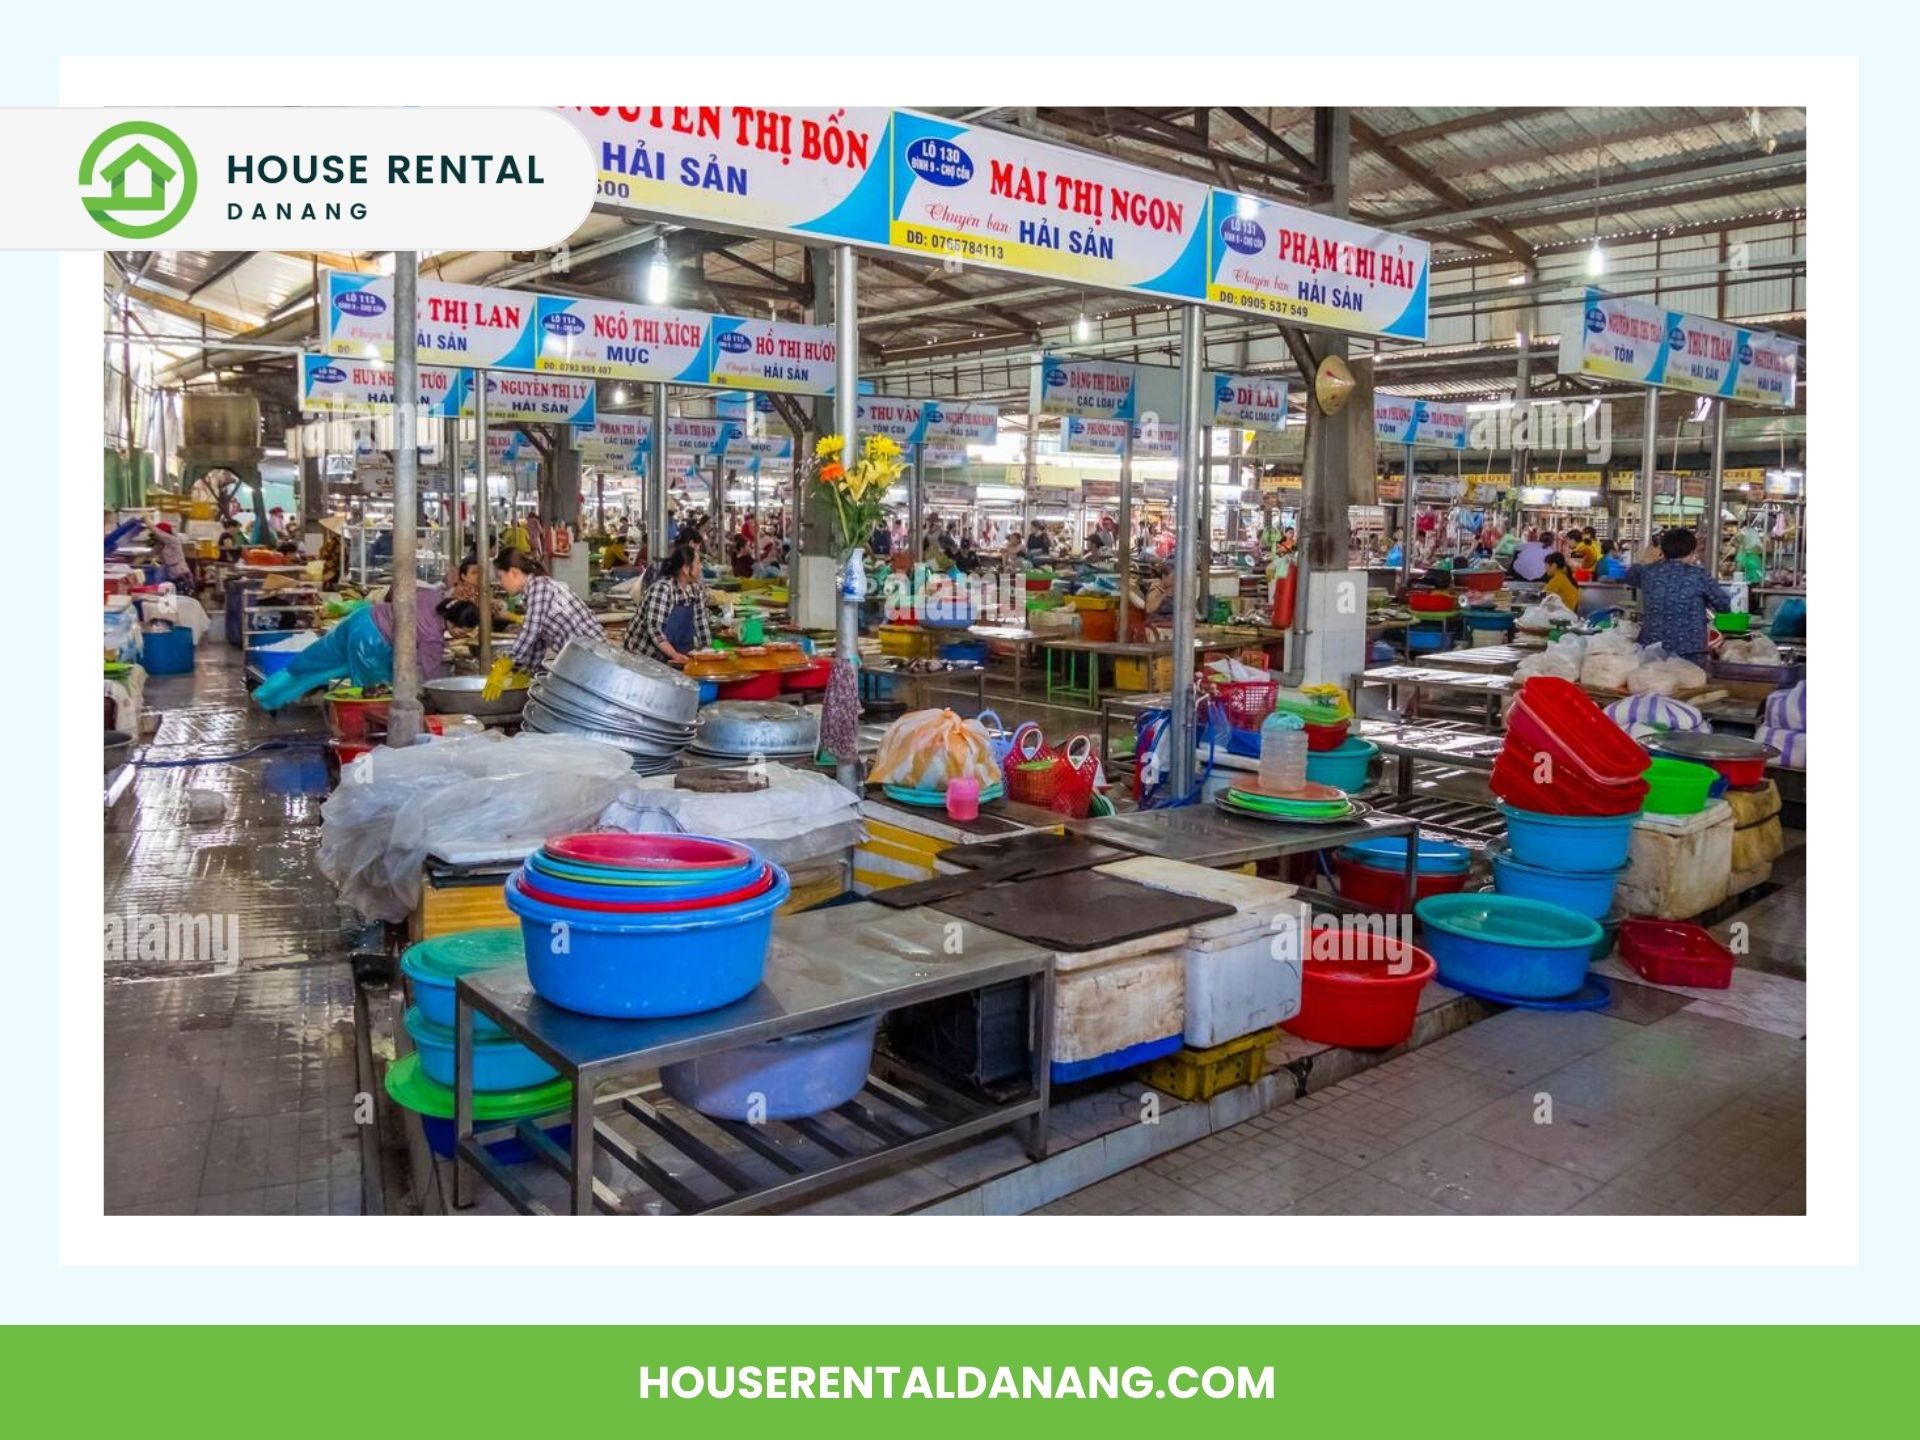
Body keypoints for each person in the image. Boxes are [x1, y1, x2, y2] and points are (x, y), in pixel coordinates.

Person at [1626, 527, 1731, 665]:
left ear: (1662, 551)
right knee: (1691, 684)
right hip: (1689, 651)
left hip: (1653, 648)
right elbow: (1724, 605)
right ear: (1692, 551)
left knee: (1656, 684)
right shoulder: (1698, 575)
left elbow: (1630, 576)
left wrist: (1645, 560)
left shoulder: (1648, 573)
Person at [495, 547, 603, 674]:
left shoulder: (539, 587)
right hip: (582, 658)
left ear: (513, 572)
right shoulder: (534, 590)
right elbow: (538, 641)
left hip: (592, 658)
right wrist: (527, 673)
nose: (500, 583)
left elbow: (531, 630)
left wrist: (507, 661)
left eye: (500, 577)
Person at [624, 543, 711, 664]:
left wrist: (707, 652)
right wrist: (675, 655)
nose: (700, 567)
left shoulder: (696, 590)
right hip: (645, 658)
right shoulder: (662, 590)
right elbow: (655, 630)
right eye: (697, 563)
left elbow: (701, 622)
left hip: (673, 655)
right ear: (686, 569)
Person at [146, 522, 194, 592]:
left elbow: (158, 532)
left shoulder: (173, 540)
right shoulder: (161, 544)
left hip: (180, 573)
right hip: (170, 574)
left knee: (181, 596)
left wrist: (147, 522)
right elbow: (149, 555)